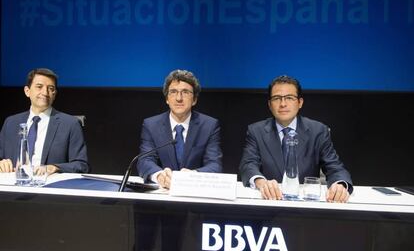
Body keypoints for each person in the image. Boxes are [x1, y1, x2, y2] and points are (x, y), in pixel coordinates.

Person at [239, 75, 353, 203]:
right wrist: (261, 182)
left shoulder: (318, 130)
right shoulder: (256, 131)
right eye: (277, 98)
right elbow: (248, 165)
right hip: (269, 202)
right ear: (270, 105)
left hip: (306, 204)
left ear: (300, 103)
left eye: (289, 98)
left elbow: (335, 167)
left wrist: (340, 185)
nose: (283, 104)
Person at [137, 69, 223, 187]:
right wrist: (159, 175)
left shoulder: (209, 125)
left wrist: (193, 175)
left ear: (194, 100)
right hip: (161, 194)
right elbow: (144, 160)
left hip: (194, 193)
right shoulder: (151, 125)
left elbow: (215, 165)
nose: (179, 98)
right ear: (167, 99)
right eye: (173, 92)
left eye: (185, 92)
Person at [0, 68, 89, 174]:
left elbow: (82, 165)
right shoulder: (11, 123)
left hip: (49, 186)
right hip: (12, 185)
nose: (45, 92)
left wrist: (55, 168)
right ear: (27, 91)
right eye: (39, 87)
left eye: (50, 88)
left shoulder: (70, 124)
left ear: (54, 94)